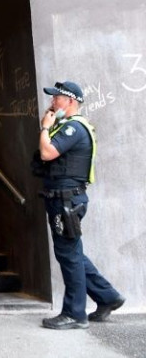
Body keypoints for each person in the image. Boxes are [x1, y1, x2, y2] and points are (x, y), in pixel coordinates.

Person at [34, 81, 125, 329]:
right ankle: (108, 297)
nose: (53, 103)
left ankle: (75, 314)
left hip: (67, 201)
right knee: (72, 252)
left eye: (57, 99)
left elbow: (47, 153)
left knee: (69, 256)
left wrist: (44, 128)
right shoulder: (67, 126)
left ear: (71, 101)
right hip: (63, 198)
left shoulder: (73, 128)